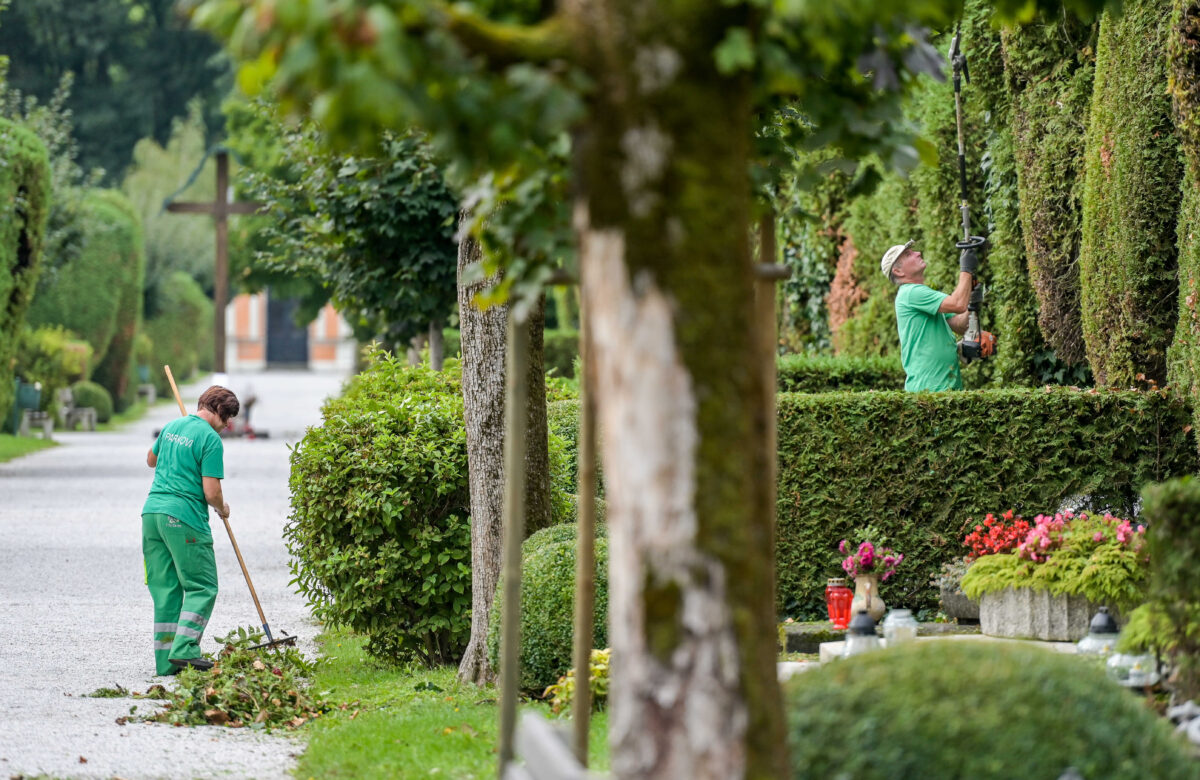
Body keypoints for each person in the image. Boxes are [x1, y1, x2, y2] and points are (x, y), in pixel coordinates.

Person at [141, 386, 239, 674]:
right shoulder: (210, 440)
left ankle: (166, 663)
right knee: (202, 585)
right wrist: (223, 508)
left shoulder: (172, 426)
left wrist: (178, 449)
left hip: (152, 515)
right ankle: (184, 649)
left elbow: (151, 460)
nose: (228, 426)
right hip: (183, 519)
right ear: (220, 412)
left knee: (167, 589)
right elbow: (211, 491)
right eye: (228, 419)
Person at [881, 240, 995, 392]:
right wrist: (966, 269)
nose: (918, 253)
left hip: (946, 387)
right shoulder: (910, 293)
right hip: (929, 389)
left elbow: (960, 325)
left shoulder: (924, 295)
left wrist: (972, 304)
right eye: (909, 254)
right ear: (898, 272)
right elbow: (958, 303)